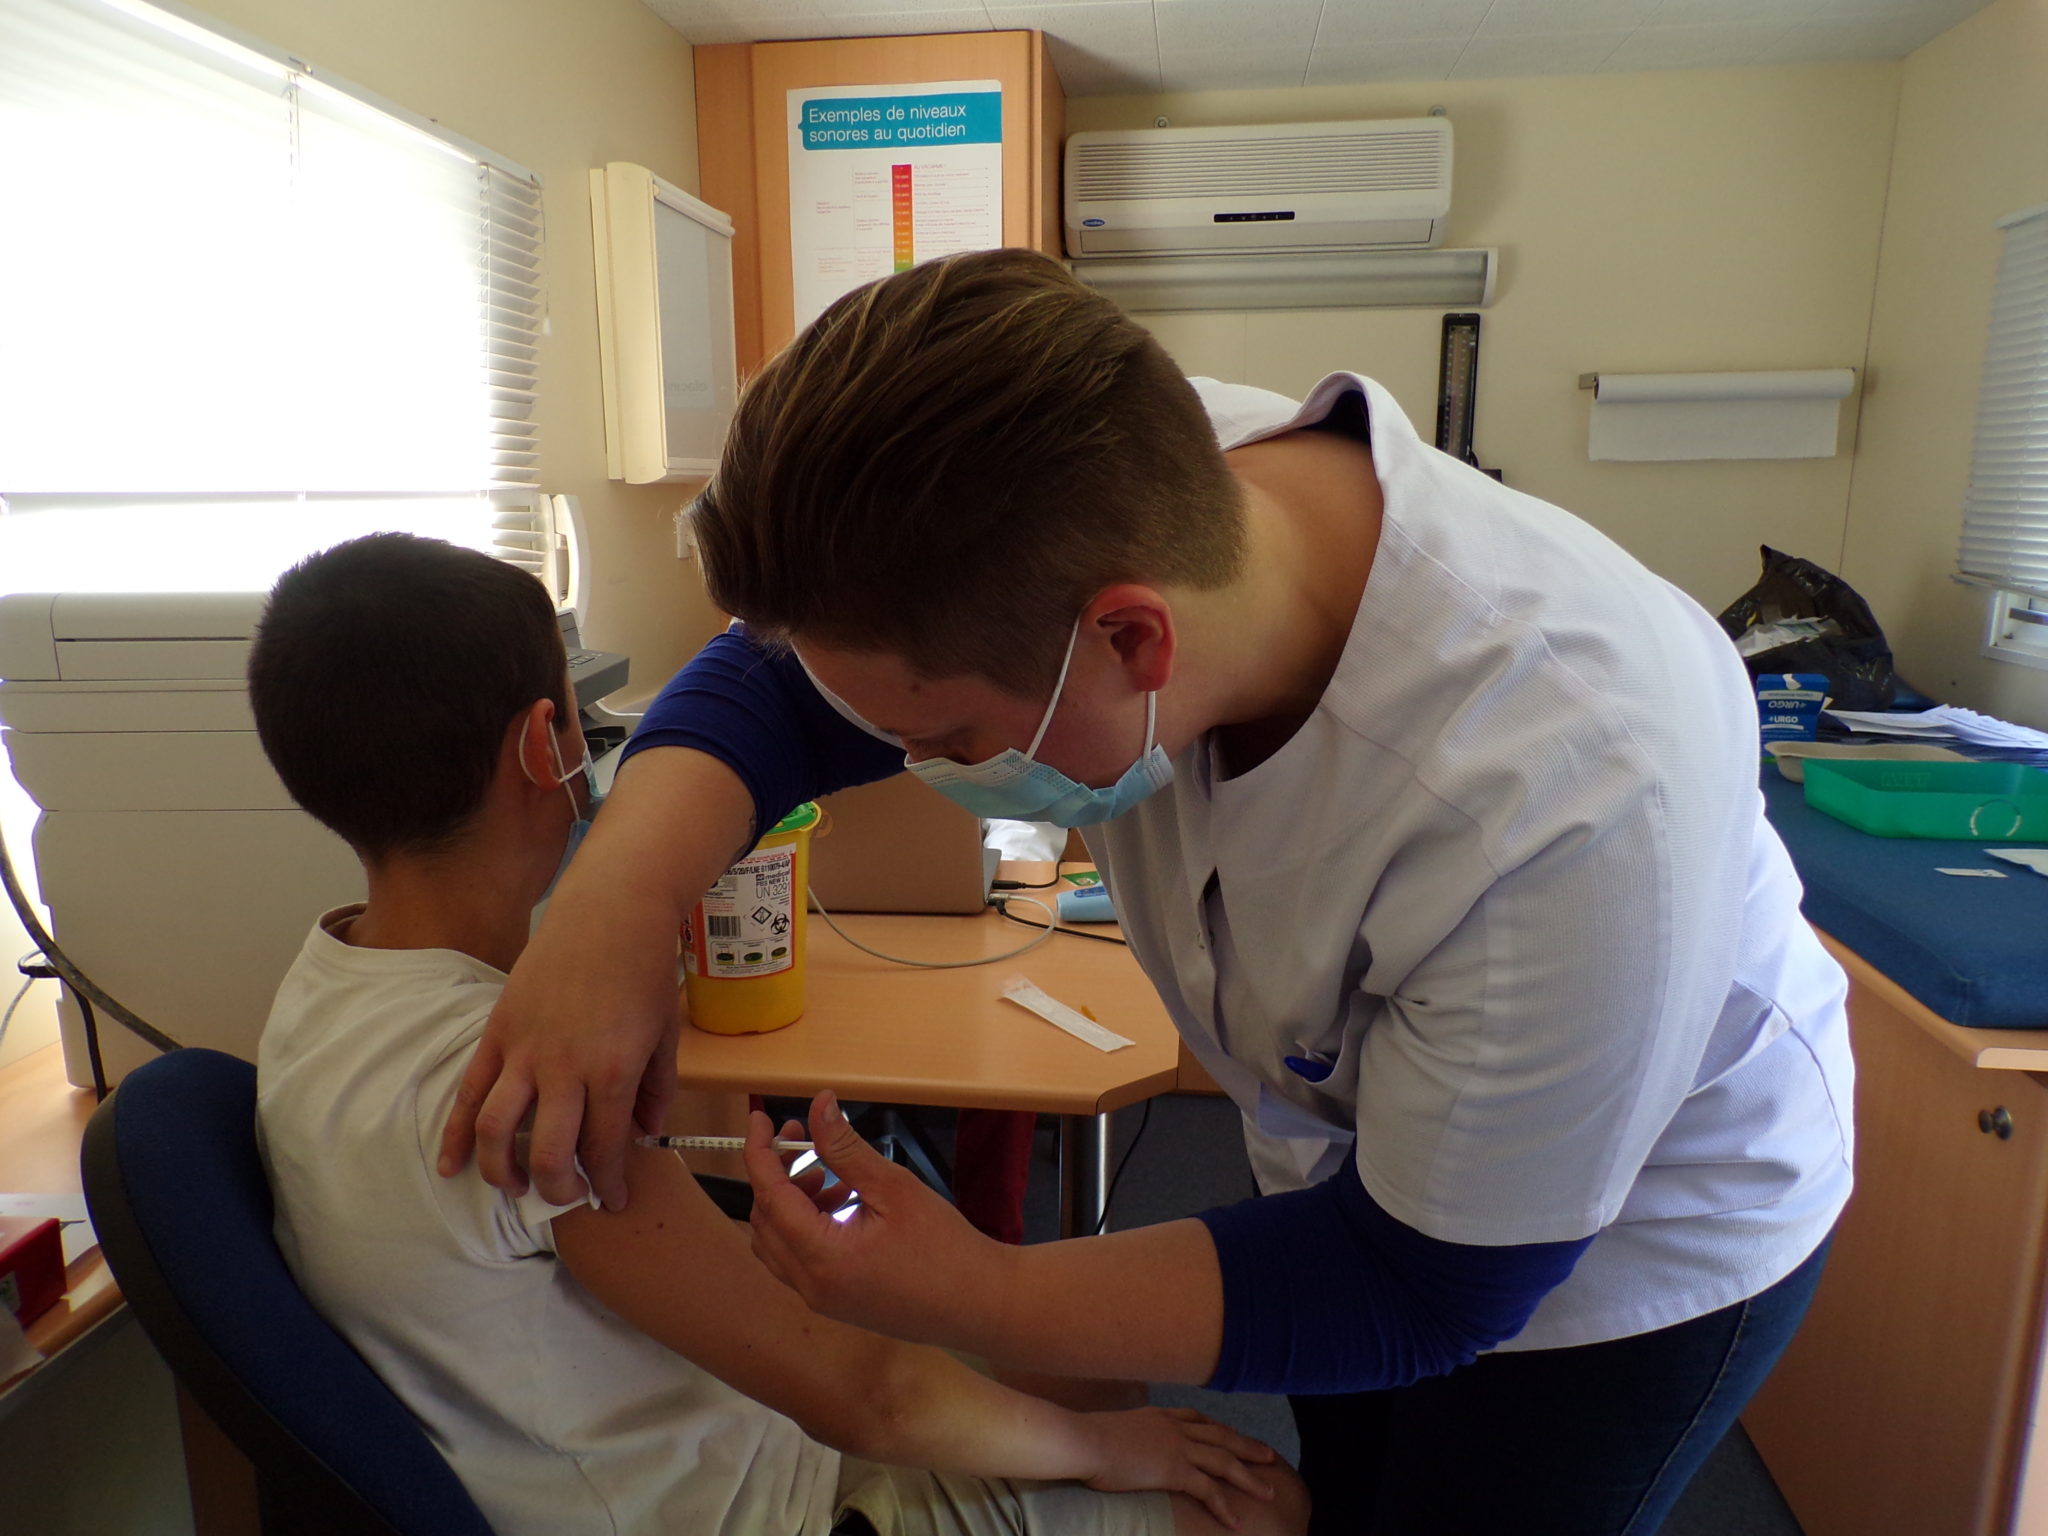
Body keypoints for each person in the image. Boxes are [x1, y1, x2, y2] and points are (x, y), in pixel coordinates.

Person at [439, 249, 1855, 1534]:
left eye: (951, 739)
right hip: (1355, 1150)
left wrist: (975, 1291)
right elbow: (784, 683)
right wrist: (608, 916)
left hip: (1630, 1246)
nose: (922, 770)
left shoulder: (1574, 791)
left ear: (1131, 640)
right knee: (1347, 1474)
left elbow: (1419, 1286)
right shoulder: (1104, 479)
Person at [246, 533, 1305, 1536]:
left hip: (661, 1435)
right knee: (1255, 1501)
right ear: (544, 744)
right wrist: (1110, 1455)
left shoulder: (321, 988)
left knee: (1071, 1350)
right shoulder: (530, 1093)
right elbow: (874, 1398)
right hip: (769, 1507)